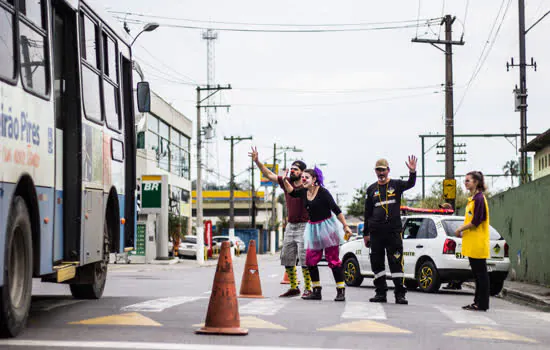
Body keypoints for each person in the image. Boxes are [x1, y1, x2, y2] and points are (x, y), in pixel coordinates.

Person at [249, 147, 312, 298]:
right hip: (290, 226)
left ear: (302, 173)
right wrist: (257, 161)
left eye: (296, 169)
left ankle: (309, 288)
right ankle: (294, 287)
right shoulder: (286, 182)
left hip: (305, 226)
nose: (292, 171)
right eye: (292, 169)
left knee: (304, 258)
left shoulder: (306, 186)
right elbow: (268, 174)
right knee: (286, 257)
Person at [283, 167, 353, 301]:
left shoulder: (323, 192)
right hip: (313, 228)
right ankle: (316, 291)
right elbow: (291, 192)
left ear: (314, 179)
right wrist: (285, 179)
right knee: (310, 260)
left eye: (306, 177)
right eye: (302, 177)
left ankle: (340, 291)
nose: (303, 179)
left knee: (333, 260)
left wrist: (345, 226)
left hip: (328, 228)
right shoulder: (303, 192)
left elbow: (336, 209)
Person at [364, 157, 417, 305]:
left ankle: (400, 294)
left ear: (388, 170)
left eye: (383, 169)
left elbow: (410, 183)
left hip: (393, 232)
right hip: (375, 233)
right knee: (377, 263)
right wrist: (365, 234)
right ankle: (380, 293)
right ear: (375, 172)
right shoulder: (371, 189)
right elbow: (367, 212)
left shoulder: (396, 185)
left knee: (396, 262)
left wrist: (412, 172)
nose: (381, 172)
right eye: (378, 170)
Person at [454, 171, 491, 312]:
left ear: (476, 182)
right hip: (472, 242)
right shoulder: (474, 199)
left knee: (481, 274)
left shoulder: (480, 199)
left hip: (478, 243)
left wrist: (460, 229)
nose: (465, 182)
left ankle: (482, 304)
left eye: (468, 180)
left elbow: (476, 221)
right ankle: (477, 302)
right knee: (477, 274)